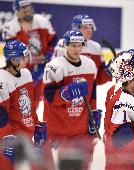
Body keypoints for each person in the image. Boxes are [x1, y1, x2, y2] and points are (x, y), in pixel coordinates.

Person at [42, 30, 101, 169]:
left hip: (81, 128)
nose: (76, 49)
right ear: (66, 45)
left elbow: (92, 94)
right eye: (73, 45)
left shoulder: (90, 65)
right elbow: (48, 98)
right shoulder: (54, 67)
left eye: (79, 45)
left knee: (84, 165)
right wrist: (64, 94)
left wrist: (93, 115)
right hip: (59, 130)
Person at [0, 40, 47, 170]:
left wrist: (37, 124)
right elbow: (1, 116)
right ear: (14, 61)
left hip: (26, 137)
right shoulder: (2, 80)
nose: (27, 59)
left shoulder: (26, 73)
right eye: (24, 56)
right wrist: (7, 138)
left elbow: (29, 105)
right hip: (8, 140)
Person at [2, 0, 56, 111]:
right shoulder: (10, 28)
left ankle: (30, 122)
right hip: (20, 70)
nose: (28, 12)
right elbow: (9, 53)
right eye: (24, 11)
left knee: (36, 98)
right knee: (19, 98)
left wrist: (48, 56)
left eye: (29, 9)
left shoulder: (43, 21)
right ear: (17, 12)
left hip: (41, 67)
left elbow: (53, 39)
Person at [52, 14, 112, 108]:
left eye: (91, 27)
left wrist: (109, 71)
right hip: (68, 92)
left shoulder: (96, 48)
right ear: (76, 28)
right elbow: (54, 73)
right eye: (85, 27)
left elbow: (98, 78)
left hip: (90, 95)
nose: (89, 30)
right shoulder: (63, 44)